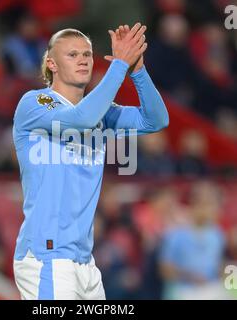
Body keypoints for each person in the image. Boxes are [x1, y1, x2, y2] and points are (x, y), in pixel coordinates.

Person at [12, 23, 169, 300]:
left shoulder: (101, 113)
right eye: (72, 55)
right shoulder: (35, 103)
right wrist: (119, 65)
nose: (83, 59)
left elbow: (155, 120)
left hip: (85, 263)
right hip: (47, 257)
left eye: (87, 54)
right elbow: (80, 120)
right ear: (52, 64)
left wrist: (137, 71)